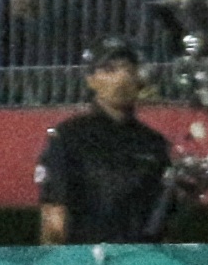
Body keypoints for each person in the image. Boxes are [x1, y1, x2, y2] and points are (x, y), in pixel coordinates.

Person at [35, 38, 172, 245]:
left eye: (128, 69)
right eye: (109, 70)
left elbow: (163, 220)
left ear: (139, 78)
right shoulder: (68, 137)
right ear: (91, 80)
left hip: (141, 263)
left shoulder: (154, 143)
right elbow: (54, 217)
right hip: (84, 264)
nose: (121, 78)